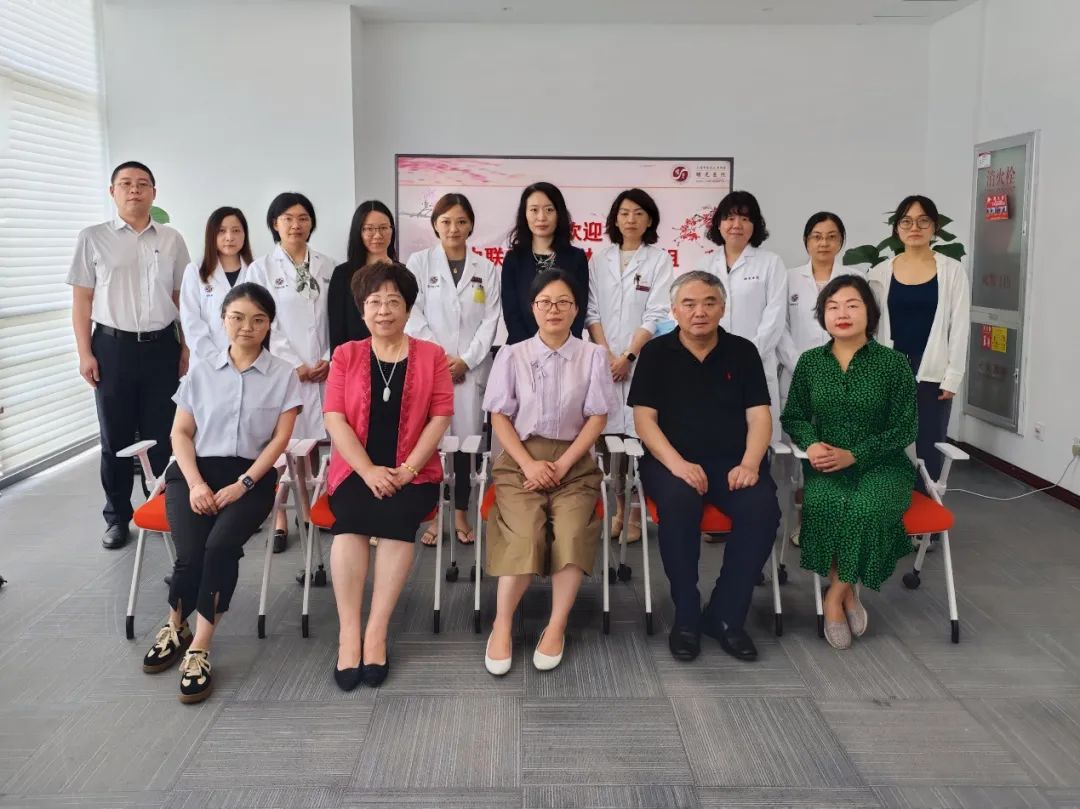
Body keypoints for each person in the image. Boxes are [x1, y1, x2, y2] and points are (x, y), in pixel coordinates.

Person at [143, 283, 301, 702]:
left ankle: (200, 646)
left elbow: (279, 440)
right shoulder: (200, 371)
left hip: (251, 476)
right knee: (191, 553)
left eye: (258, 319)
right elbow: (180, 433)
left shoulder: (283, 375)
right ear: (223, 319)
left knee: (220, 547)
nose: (247, 327)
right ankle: (175, 624)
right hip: (194, 471)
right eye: (237, 317)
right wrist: (196, 483)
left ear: (269, 324)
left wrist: (243, 483)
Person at [629, 271, 780, 663]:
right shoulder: (656, 353)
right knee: (679, 505)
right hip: (671, 462)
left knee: (762, 509)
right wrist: (677, 464)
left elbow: (759, 416)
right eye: (690, 303)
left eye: (709, 302)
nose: (700, 312)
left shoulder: (742, 351)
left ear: (722, 308)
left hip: (733, 463)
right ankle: (687, 615)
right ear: (674, 310)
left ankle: (727, 615)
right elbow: (644, 420)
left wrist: (750, 463)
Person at [324, 262, 453, 690]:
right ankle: (348, 633)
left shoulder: (432, 355)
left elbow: (440, 416)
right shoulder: (346, 355)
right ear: (362, 309)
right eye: (375, 302)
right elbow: (334, 418)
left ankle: (376, 631)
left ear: (408, 309)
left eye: (393, 301)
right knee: (350, 522)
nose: (384, 310)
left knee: (398, 520)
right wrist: (366, 470)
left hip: (412, 471)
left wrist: (408, 469)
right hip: (354, 469)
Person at [482, 269, 615, 675]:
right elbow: (499, 416)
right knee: (525, 531)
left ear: (576, 309)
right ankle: (502, 624)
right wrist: (529, 463)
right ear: (533, 308)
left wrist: (562, 464)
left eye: (563, 302)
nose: (553, 309)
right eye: (545, 302)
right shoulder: (512, 354)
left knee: (572, 532)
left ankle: (556, 627)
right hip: (520, 460)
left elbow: (597, 417)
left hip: (574, 463)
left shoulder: (593, 356)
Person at [781, 275, 918, 649]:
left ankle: (835, 596)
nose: (842, 314)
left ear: (870, 313)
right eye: (832, 306)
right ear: (822, 315)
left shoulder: (893, 364)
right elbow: (794, 415)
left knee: (866, 509)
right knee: (825, 505)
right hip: (827, 462)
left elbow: (905, 427)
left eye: (852, 305)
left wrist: (856, 454)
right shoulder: (811, 363)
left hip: (883, 464)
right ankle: (849, 594)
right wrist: (811, 444)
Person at [67, 161, 191, 549]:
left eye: (142, 184)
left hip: (162, 347)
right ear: (112, 191)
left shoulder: (171, 239)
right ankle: (118, 517)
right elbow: (82, 300)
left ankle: (163, 509)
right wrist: (84, 353)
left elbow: (182, 299)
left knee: (164, 434)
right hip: (112, 348)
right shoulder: (93, 238)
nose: (134, 189)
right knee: (115, 437)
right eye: (125, 183)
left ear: (154, 192)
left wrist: (187, 346)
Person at [405, 193, 501, 546]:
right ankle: (434, 517)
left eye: (461, 221)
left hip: (470, 372)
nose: (453, 228)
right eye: (446, 221)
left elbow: (491, 319)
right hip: (431, 369)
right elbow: (412, 313)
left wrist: (466, 360)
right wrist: (442, 359)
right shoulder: (419, 263)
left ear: (471, 225)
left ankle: (461, 513)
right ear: (435, 225)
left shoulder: (486, 268)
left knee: (466, 447)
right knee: (432, 445)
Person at [246, 192, 336, 552]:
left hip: (324, 368)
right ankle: (281, 515)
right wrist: (293, 363)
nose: (296, 225)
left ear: (311, 223)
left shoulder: (329, 266)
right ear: (275, 224)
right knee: (284, 443)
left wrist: (327, 357)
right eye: (288, 218)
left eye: (303, 218)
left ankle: (311, 507)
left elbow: (335, 319)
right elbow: (262, 321)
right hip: (283, 370)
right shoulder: (261, 270)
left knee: (313, 441)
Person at [586, 188, 673, 543]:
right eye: (624, 213)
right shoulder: (599, 259)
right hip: (604, 361)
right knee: (608, 440)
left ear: (649, 219)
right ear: (615, 219)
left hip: (642, 361)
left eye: (639, 213)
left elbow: (656, 313)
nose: (631, 219)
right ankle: (617, 509)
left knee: (639, 438)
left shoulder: (659, 260)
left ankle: (635, 513)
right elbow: (592, 310)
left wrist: (629, 357)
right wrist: (607, 354)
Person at [776, 212, 865, 545]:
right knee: (803, 455)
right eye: (816, 236)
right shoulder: (788, 278)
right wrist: (806, 368)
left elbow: (866, 327)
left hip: (846, 380)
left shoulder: (856, 279)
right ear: (806, 241)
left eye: (831, 236)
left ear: (841, 241)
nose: (823, 243)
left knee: (838, 450)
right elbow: (780, 328)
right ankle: (804, 521)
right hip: (798, 378)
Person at [868, 195, 970, 483]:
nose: (915, 227)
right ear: (897, 228)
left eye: (923, 221)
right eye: (907, 221)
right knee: (887, 442)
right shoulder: (879, 273)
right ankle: (890, 504)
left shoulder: (952, 271)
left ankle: (929, 506)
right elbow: (871, 328)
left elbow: (960, 327)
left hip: (932, 371)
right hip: (888, 371)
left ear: (934, 227)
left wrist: (952, 377)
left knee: (929, 444)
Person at [700, 191, 787, 438]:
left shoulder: (770, 263)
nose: (736, 225)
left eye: (745, 219)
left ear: (755, 225)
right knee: (714, 434)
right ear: (719, 224)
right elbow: (695, 314)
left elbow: (775, 316)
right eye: (729, 218)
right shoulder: (704, 265)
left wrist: (746, 357)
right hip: (711, 363)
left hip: (756, 362)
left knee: (757, 436)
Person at [501, 182, 589, 344]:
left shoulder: (576, 258)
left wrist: (563, 346)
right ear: (524, 214)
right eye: (534, 210)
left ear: (559, 213)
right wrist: (532, 349)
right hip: (522, 349)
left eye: (549, 210)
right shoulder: (513, 259)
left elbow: (579, 310)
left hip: (567, 349)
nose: (541, 217)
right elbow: (512, 313)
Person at [179, 207, 254, 371]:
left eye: (236, 231)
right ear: (211, 235)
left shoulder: (255, 271)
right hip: (206, 363)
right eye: (222, 231)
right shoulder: (195, 271)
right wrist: (216, 358)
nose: (229, 237)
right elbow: (191, 321)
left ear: (244, 235)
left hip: (248, 362)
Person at [328, 200, 397, 353]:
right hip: (355, 358)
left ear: (392, 230)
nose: (377, 235)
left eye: (383, 228)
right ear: (358, 232)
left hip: (397, 355)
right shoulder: (343, 274)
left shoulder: (403, 272)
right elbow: (337, 328)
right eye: (369, 229)